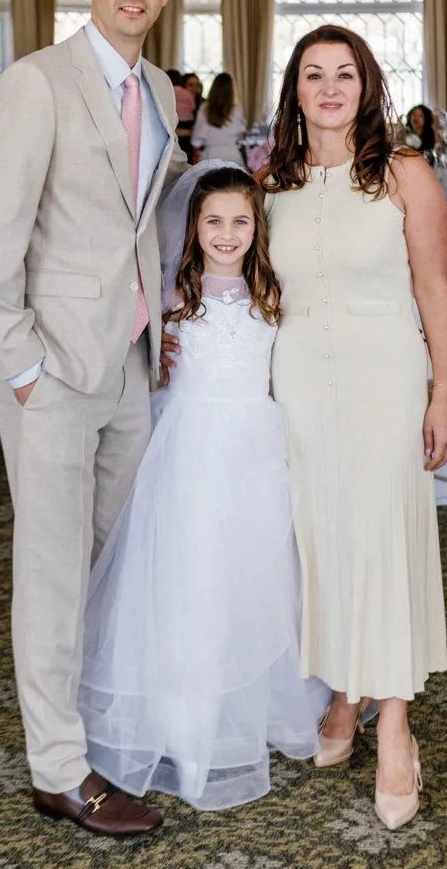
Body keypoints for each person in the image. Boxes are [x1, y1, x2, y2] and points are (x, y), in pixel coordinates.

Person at [0, 0, 188, 840]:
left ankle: (92, 719)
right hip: (50, 370)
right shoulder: (36, 82)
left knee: (112, 561)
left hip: (129, 362)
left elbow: (140, 223)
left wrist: (162, 317)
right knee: (53, 571)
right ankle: (58, 770)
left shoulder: (164, 87)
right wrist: (22, 370)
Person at [260, 24, 447, 830]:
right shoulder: (272, 179)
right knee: (322, 537)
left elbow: (435, 291)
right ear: (296, 91)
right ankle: (344, 690)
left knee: (382, 538)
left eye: (346, 74)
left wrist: (444, 393)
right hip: (301, 381)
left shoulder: (406, 174)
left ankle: (397, 722)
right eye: (315, 75)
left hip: (385, 377)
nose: (331, 88)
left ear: (367, 85)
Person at [80, 163, 320, 811]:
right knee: (186, 577)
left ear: (256, 227)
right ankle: (182, 718)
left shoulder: (271, 289)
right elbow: (140, 357)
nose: (226, 233)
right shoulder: (172, 293)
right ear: (193, 225)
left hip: (256, 448)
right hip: (186, 447)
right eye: (213, 220)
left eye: (240, 221)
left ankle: (252, 706)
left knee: (253, 574)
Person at [192, 71, 246, 165]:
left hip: (210, 156)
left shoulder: (205, 108)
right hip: (232, 156)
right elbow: (240, 134)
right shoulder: (237, 108)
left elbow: (196, 141)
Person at [168, 70, 196, 162]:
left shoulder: (168, 90)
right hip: (187, 122)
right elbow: (193, 106)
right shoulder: (187, 92)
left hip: (174, 121)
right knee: (186, 149)